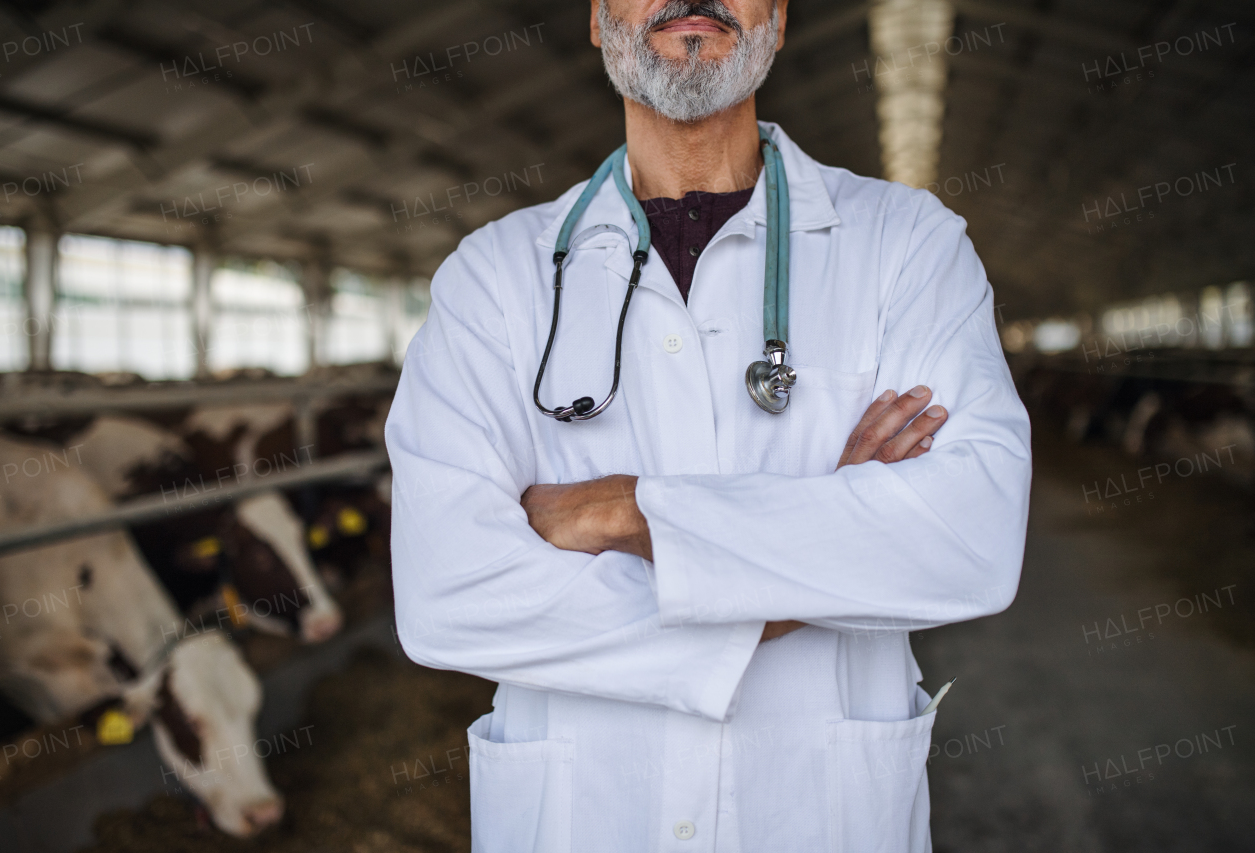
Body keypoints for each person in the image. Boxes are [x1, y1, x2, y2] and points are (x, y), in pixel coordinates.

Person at [385, 0, 1031, 850]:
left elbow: (969, 538)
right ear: (596, 18)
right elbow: (447, 593)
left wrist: (625, 510)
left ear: (782, 17)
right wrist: (817, 551)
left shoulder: (909, 246)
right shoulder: (493, 278)